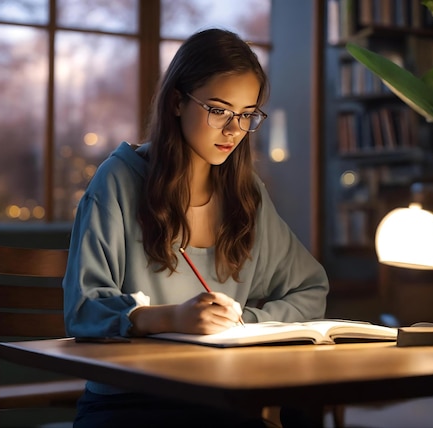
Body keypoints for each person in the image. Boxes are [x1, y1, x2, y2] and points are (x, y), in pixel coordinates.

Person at [63, 28, 330, 428]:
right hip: (132, 402)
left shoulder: (247, 194)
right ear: (176, 102)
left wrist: (240, 323)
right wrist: (171, 319)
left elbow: (310, 290)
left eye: (246, 115)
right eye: (219, 110)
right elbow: (83, 308)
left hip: (221, 394)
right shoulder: (117, 179)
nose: (234, 130)